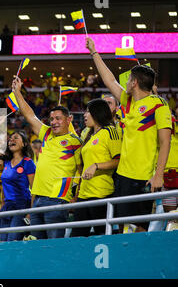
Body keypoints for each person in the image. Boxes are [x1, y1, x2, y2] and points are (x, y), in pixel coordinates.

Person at [86, 37, 172, 233]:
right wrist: (94, 52)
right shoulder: (127, 101)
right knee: (122, 226)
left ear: (134, 82)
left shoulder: (159, 105)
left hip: (143, 176)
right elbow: (109, 80)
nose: (125, 81)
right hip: (123, 175)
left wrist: (158, 174)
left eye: (128, 79)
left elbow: (165, 142)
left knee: (140, 227)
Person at [12, 75, 83, 239]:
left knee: (54, 248)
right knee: (37, 248)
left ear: (69, 119)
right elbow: (29, 115)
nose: (54, 122)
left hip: (57, 200)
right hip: (37, 201)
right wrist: (17, 92)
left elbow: (82, 169)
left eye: (58, 118)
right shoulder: (46, 134)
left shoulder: (75, 142)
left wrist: (76, 196)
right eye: (51, 119)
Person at [71, 99, 122, 237]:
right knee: (76, 238)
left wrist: (96, 166)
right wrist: (77, 193)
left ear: (97, 113)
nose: (84, 115)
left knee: (103, 237)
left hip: (101, 194)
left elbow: (118, 161)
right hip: (83, 196)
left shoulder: (110, 131)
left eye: (88, 111)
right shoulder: (89, 136)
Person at [0, 116, 36, 242]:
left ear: (24, 143)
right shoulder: (5, 162)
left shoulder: (28, 162)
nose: (11, 140)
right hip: (7, 207)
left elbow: (34, 189)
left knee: (12, 241)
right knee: (3, 241)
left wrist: (30, 212)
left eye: (16, 138)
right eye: (10, 138)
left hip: (22, 206)